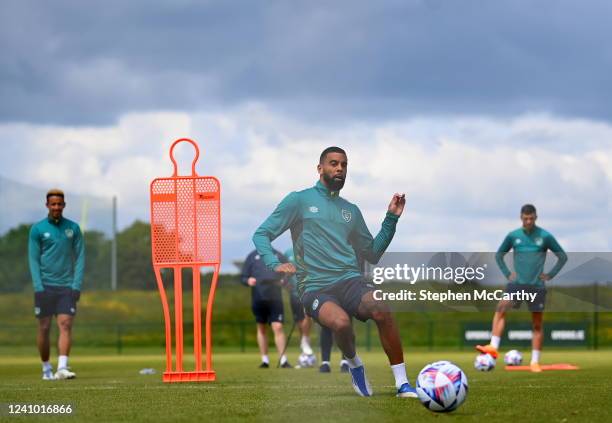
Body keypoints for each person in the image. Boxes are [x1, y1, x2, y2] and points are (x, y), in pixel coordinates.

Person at [253, 146, 416, 398]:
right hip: (314, 286)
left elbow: (371, 253)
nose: (339, 168)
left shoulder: (351, 211)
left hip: (350, 280)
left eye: (344, 164)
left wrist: (391, 219)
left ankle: (403, 384)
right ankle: (354, 365)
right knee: (340, 323)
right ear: (320, 169)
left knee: (381, 307)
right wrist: (274, 263)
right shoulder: (299, 200)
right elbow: (261, 233)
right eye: (333, 163)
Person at [476, 204, 567, 372]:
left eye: (531, 218)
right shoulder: (513, 236)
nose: (529, 221)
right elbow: (499, 255)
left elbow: (562, 256)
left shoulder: (545, 236)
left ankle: (535, 361)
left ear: (536, 217)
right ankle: (493, 347)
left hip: (537, 286)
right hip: (517, 284)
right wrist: (507, 273)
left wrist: (550, 274)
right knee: (501, 308)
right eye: (526, 218)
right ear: (521, 218)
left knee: (537, 324)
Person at [28, 189, 85, 380]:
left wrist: (76, 285)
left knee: (65, 324)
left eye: (59, 204)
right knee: (44, 328)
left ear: (64, 205)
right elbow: (33, 259)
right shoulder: (37, 229)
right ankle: (46, 369)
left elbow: (81, 258)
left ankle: (62, 368)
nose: (56, 207)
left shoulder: (73, 228)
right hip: (44, 286)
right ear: (47, 205)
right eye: (53, 204)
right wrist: (38, 286)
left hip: (66, 286)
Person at [241, 249, 292, 368]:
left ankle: (283, 360)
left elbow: (288, 273)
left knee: (278, 326)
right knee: (262, 328)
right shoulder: (252, 256)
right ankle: (265, 360)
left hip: (276, 298)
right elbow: (243, 277)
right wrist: (248, 280)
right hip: (258, 297)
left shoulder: (278, 255)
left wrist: (284, 280)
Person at [283, 247, 316, 367]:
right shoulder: (288, 253)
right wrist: (286, 283)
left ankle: (305, 346)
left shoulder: (312, 249)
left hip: (309, 292)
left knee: (307, 317)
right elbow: (283, 275)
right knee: (299, 323)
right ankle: (306, 354)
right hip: (294, 294)